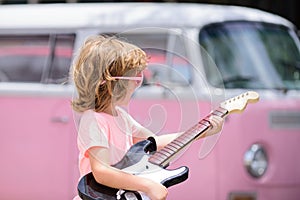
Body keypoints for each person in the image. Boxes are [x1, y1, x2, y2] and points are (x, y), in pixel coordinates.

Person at [71, 35, 224, 200]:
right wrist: (147, 185)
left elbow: (154, 142)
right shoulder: (93, 120)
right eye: (135, 77)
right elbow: (101, 172)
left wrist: (202, 131)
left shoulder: (121, 117)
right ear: (109, 83)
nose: (138, 83)